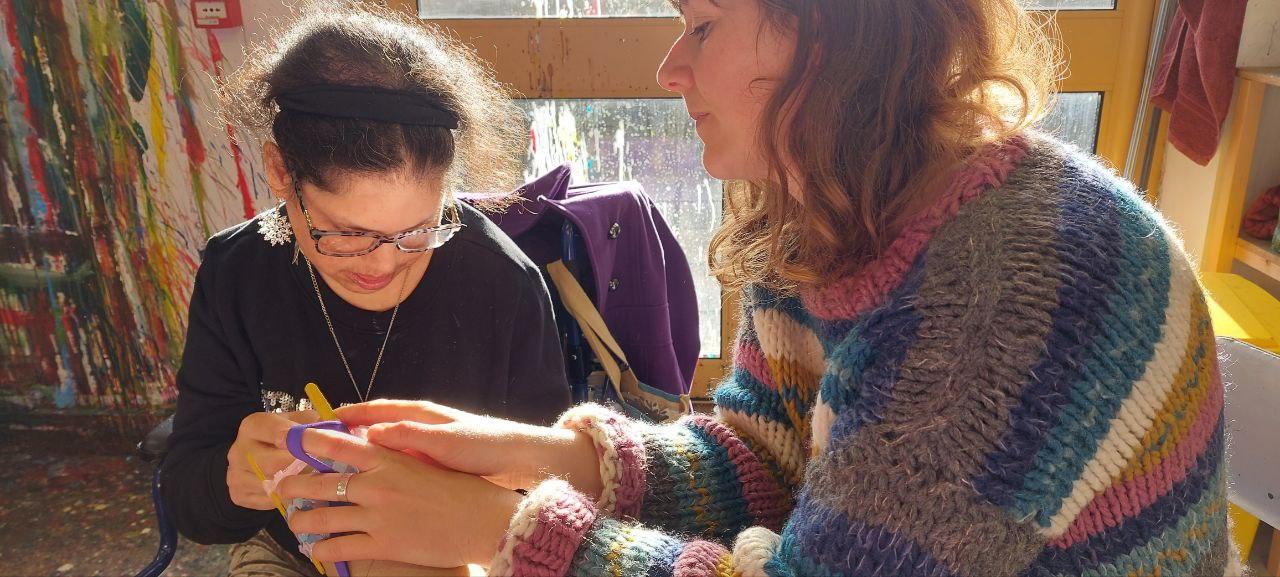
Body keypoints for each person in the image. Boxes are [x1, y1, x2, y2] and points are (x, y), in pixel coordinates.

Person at [277, 0, 1233, 575]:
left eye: (703, 25)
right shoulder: (825, 199)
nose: (671, 67)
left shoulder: (1013, 293)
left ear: (835, 31)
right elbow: (769, 460)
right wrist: (535, 454)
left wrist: (502, 525)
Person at [159, 4, 572, 575]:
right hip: (294, 550)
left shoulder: (504, 283)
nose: (383, 263)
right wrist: (235, 478)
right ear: (280, 171)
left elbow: (555, 493)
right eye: (346, 233)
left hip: (452, 553)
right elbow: (188, 499)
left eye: (418, 230)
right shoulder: (238, 274)